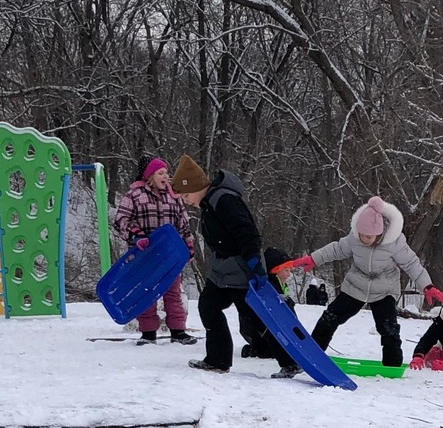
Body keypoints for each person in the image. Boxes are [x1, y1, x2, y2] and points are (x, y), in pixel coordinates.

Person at [170, 154, 302, 378]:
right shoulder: (209, 203)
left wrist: (253, 262)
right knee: (208, 306)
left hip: (241, 269)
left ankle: (290, 362)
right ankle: (218, 360)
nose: (185, 200)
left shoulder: (223, 200)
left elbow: (247, 232)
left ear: (196, 186)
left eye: (185, 195)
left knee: (256, 318)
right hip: (222, 270)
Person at [290, 196, 443, 367]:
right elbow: (336, 249)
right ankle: (312, 355)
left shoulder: (394, 242)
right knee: (329, 318)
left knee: (388, 329)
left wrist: (427, 285)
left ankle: (392, 366)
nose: (365, 239)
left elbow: (411, 263)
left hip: (384, 290)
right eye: (363, 235)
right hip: (355, 287)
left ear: (380, 232)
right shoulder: (354, 238)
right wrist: (314, 258)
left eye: (370, 237)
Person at [113, 155, 198, 345]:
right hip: (144, 255)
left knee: (173, 292)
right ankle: (148, 332)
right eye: (161, 173)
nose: (166, 176)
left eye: (167, 173)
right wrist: (136, 236)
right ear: (150, 176)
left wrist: (188, 246)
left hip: (169, 255)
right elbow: (121, 220)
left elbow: (183, 224)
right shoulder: (134, 195)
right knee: (146, 293)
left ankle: (178, 331)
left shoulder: (173, 197)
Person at [239, 246, 296, 359]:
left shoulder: (280, 285)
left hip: (271, 332)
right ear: (275, 271)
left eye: (289, 270)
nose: (289, 274)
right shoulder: (268, 288)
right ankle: (253, 349)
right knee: (269, 353)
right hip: (259, 333)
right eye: (286, 270)